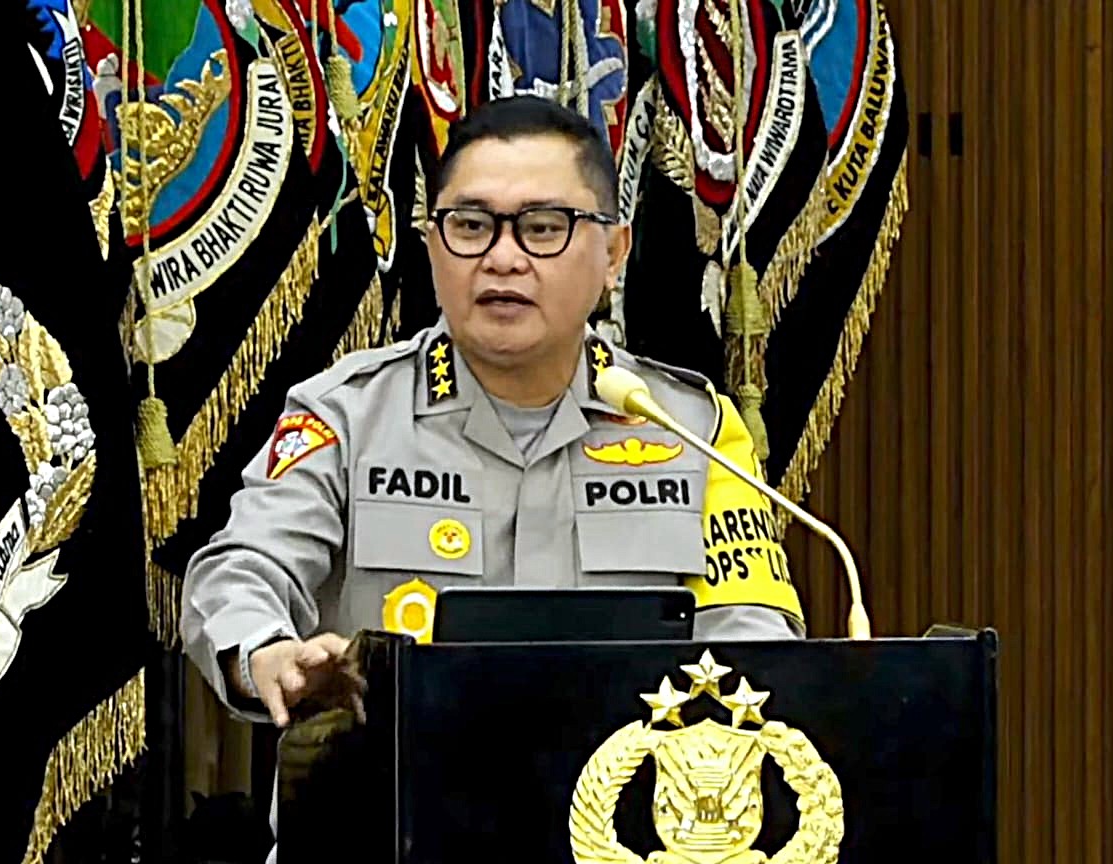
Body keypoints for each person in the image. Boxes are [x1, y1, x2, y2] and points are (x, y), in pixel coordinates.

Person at [180, 95, 805, 732]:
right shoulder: (348, 415)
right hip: (391, 788)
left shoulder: (692, 428)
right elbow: (242, 568)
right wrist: (266, 651)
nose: (503, 258)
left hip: (620, 792)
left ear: (614, 254)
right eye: (472, 225)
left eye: (544, 228)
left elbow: (754, 644)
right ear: (432, 244)